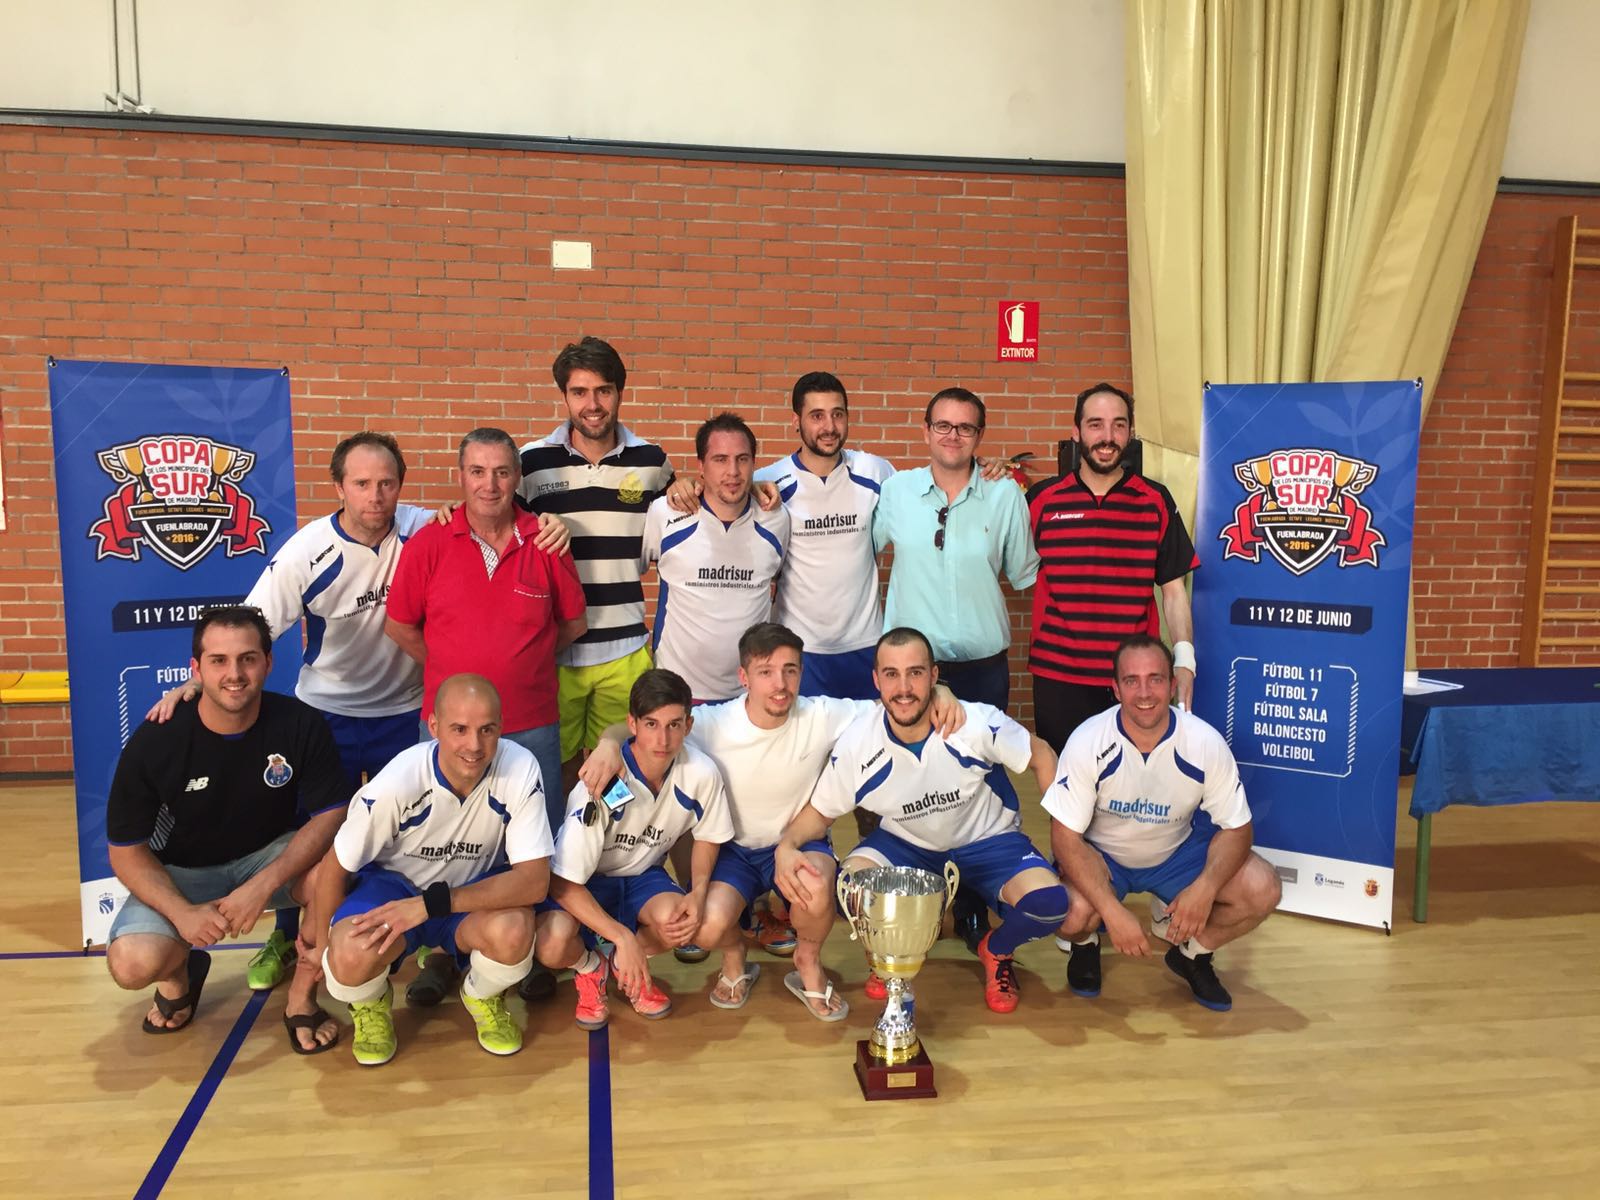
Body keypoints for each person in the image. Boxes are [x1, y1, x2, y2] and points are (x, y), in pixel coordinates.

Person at [580, 622, 967, 1019]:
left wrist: (941, 691)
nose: (780, 684)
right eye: (766, 672)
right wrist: (609, 743)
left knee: (817, 887)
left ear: (801, 673)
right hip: (733, 851)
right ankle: (734, 954)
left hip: (797, 843)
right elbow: (647, 724)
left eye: (790, 670)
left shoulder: (822, 715)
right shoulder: (713, 724)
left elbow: (893, 704)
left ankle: (808, 961)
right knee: (706, 927)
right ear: (744, 676)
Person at [776, 627, 1066, 1014]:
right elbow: (818, 813)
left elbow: (1042, 755)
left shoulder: (972, 722)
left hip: (989, 839)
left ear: (933, 676)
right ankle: (889, 957)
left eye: (915, 673)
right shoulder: (859, 743)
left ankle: (996, 950)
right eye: (891, 674)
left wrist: (1065, 845)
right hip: (909, 844)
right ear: (876, 680)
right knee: (852, 889)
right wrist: (786, 846)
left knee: (1050, 904)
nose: (903, 688)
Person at [104, 606, 347, 1053]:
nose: (234, 674)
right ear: (195, 669)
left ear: (268, 663)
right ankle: (180, 978)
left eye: (247, 659)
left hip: (268, 858)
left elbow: (331, 814)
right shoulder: (156, 740)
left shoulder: (300, 723)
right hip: (183, 873)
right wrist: (182, 914)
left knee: (337, 871)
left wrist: (262, 885)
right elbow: (125, 850)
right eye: (218, 661)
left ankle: (301, 998)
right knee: (132, 963)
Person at [307, 674, 554, 1065]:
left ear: (501, 727)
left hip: (466, 894)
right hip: (395, 889)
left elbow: (534, 882)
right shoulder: (397, 783)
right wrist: (324, 948)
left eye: (486, 729)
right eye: (459, 729)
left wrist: (431, 905)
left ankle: (483, 995)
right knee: (349, 955)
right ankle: (370, 1003)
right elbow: (333, 868)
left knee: (514, 931)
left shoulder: (520, 768)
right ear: (434, 727)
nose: (474, 746)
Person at [872, 386, 1039, 950]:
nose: (953, 436)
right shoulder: (896, 493)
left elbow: (1024, 572)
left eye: (965, 427)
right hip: (912, 674)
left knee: (978, 789)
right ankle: (914, 899)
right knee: (914, 781)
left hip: (982, 668)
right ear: (925, 431)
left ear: (979, 436)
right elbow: (861, 553)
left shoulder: (1004, 494)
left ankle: (971, 905)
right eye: (942, 425)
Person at [1042, 635, 1281, 1011]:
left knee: (1263, 887)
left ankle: (1193, 955)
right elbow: (1064, 837)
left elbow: (1238, 828)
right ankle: (1085, 945)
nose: (1144, 693)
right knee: (1064, 911)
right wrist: (1111, 913)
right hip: (1105, 859)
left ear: (1172, 685)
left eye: (1155, 679)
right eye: (1132, 680)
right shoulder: (1087, 740)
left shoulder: (1204, 742)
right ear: (1115, 689)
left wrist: (1205, 888)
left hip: (1176, 855)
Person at [534, 668, 733, 1029]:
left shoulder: (701, 772)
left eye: (674, 725)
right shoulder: (604, 780)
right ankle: (591, 967)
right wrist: (623, 937)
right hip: (586, 883)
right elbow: (562, 883)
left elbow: (708, 836)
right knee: (551, 944)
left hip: (642, 876)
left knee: (685, 921)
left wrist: (698, 891)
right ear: (632, 724)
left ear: (688, 725)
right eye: (651, 724)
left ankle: (621, 963)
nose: (663, 738)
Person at [517, 337, 675, 790]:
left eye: (603, 390)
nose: (592, 404)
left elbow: (684, 521)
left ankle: (611, 838)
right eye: (580, 392)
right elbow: (499, 526)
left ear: (620, 393)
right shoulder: (531, 462)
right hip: (556, 651)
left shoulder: (652, 462)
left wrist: (691, 490)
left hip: (624, 648)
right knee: (559, 768)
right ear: (564, 396)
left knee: (623, 767)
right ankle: (569, 837)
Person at [1026, 382, 1199, 752]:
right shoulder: (1041, 500)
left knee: (1134, 778)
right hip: (1058, 676)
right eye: (1095, 424)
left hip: (1134, 676)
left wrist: (1185, 661)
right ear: (1076, 431)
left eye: (1118, 425)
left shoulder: (1155, 500)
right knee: (1065, 778)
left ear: (1130, 432)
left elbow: (1174, 591)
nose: (1107, 437)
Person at [753, 371, 894, 701]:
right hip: (799, 648)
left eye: (837, 414)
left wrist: (985, 470)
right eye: (817, 416)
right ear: (796, 421)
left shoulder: (875, 471)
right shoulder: (768, 481)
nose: (829, 426)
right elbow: (719, 490)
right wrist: (687, 486)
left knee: (865, 735)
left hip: (866, 646)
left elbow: (928, 487)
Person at [639, 412, 789, 704]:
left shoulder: (776, 519)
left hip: (748, 695)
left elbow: (779, 581)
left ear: (753, 464)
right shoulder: (665, 513)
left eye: (742, 459)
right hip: (677, 691)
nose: (733, 471)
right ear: (701, 466)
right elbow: (632, 570)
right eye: (720, 459)